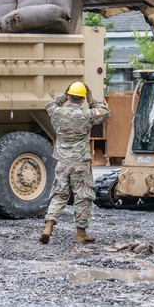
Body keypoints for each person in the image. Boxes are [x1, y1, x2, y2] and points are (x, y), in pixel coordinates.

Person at [39, 81, 109, 244]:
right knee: (83, 197)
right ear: (83, 99)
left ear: (69, 96)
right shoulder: (87, 114)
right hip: (80, 163)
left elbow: (50, 105)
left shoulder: (57, 112)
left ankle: (48, 228)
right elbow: (105, 113)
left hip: (62, 163)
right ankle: (81, 233)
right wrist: (92, 99)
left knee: (59, 195)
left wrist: (63, 96)